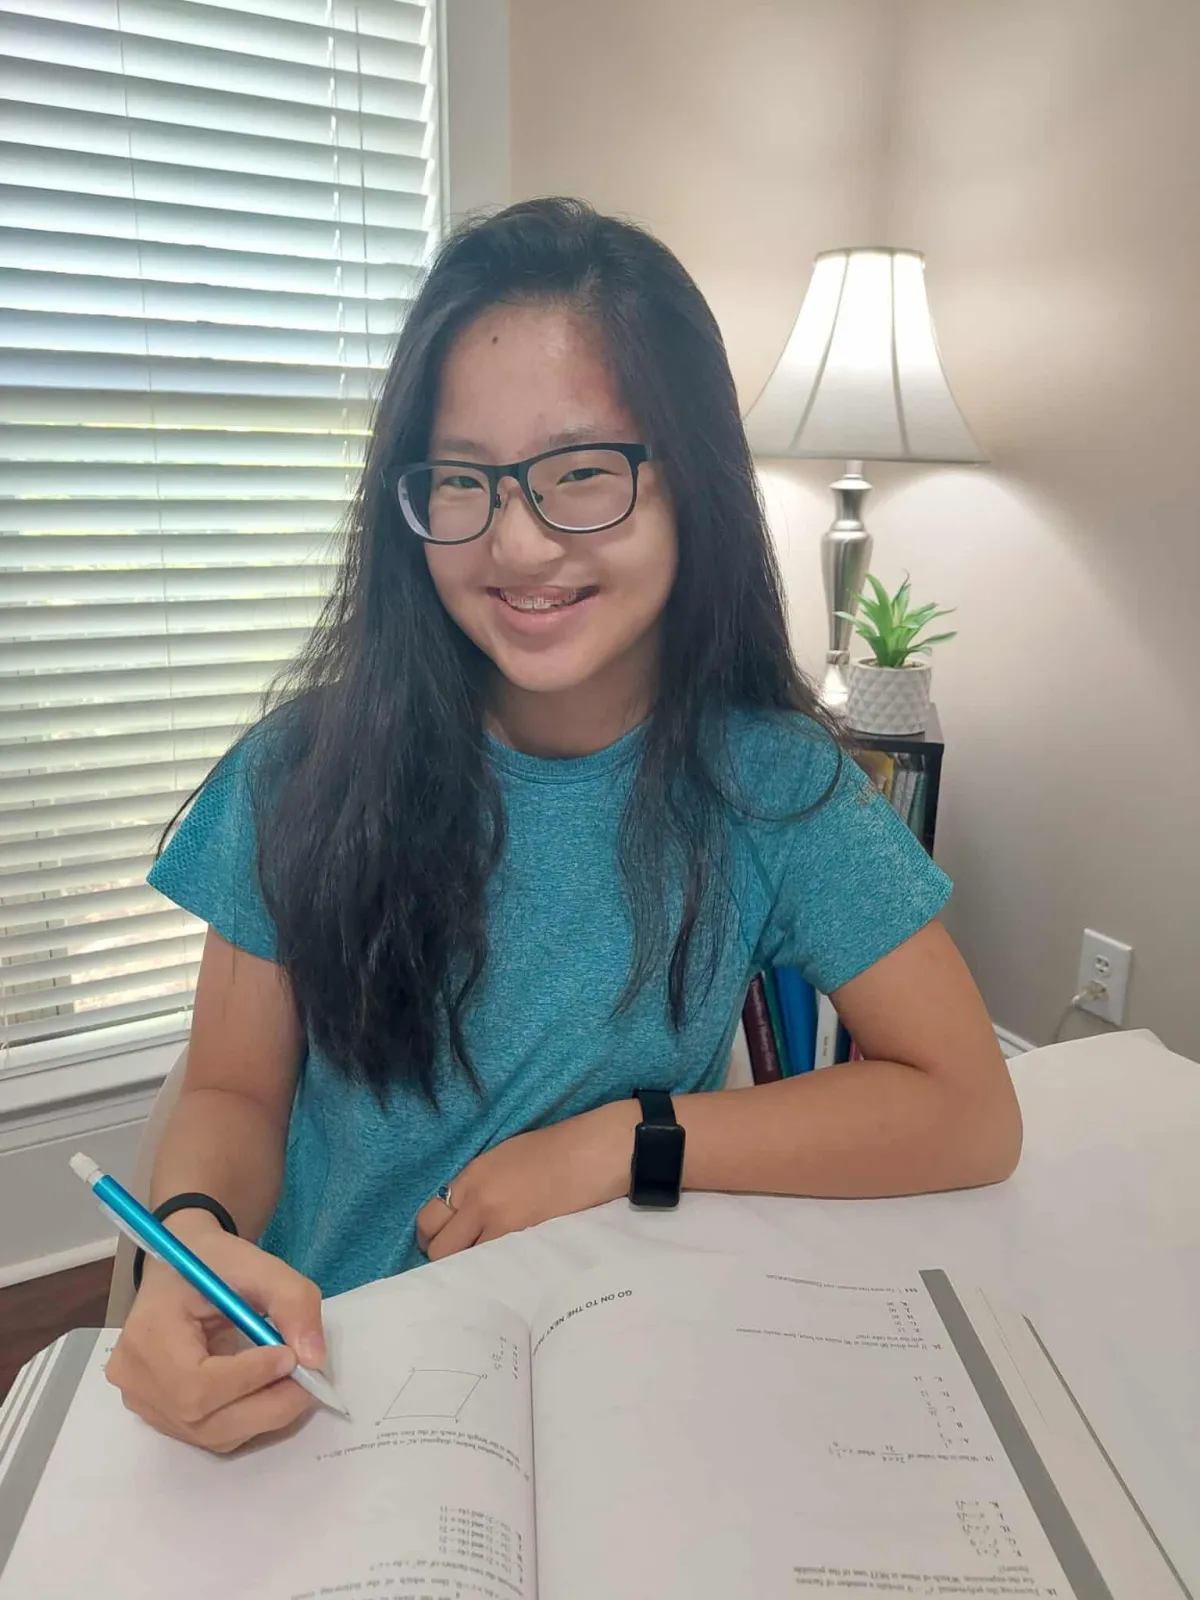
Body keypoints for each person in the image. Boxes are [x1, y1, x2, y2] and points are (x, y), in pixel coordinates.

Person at [106, 197, 1021, 1453]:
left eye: (581, 472)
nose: (519, 542)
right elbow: (229, 1087)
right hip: (322, 1384)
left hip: (616, 1383)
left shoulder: (772, 783)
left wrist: (624, 1142)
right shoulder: (301, 772)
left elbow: (970, 1108)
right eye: (461, 480)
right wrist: (190, 1240)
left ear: (691, 480)